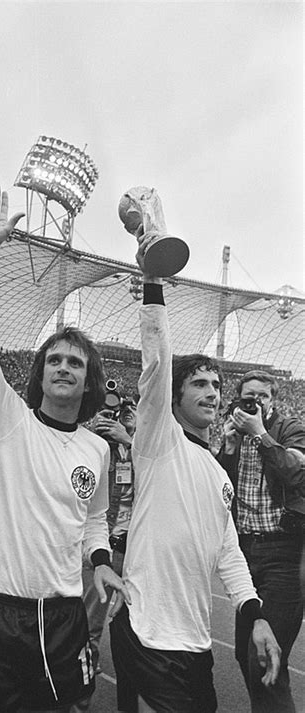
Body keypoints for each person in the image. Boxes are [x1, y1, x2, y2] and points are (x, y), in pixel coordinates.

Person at [0, 184, 130, 713]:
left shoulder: (96, 450)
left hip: (62, 616)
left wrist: (99, 560)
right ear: (41, 373)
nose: (62, 367)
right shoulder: (8, 422)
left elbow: (94, 519)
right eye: (54, 360)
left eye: (74, 363)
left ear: (88, 380)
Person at [109, 232, 281, 713]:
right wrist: (152, 283)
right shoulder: (158, 442)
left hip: (193, 644)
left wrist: (256, 614)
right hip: (146, 634)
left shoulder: (217, 474)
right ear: (176, 396)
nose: (211, 392)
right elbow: (157, 362)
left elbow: (227, 552)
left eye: (216, 385)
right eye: (199, 383)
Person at [217, 370, 305, 713]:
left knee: (266, 659)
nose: (255, 402)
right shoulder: (235, 436)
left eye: (262, 396)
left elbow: (296, 473)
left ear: (273, 400)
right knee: (245, 653)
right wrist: (228, 448)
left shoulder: (290, 429)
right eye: (247, 396)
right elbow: (221, 492)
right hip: (245, 552)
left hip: (284, 551)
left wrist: (261, 434)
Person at [72, 397, 137, 713]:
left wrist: (130, 438)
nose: (118, 421)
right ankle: (80, 694)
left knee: (133, 626)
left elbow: (162, 475)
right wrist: (92, 432)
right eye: (111, 416)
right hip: (99, 549)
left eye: (125, 415)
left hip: (135, 549)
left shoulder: (139, 448)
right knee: (89, 623)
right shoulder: (89, 447)